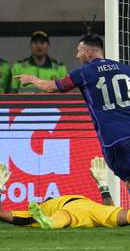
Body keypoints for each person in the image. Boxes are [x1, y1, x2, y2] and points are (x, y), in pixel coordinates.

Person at [15, 33, 130, 191]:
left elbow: (53, 87)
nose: (77, 56)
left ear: (88, 52)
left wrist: (32, 79)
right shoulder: (126, 69)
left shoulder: (84, 72)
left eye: (79, 51)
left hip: (114, 139)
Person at [0, 159, 130, 229]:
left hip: (92, 209)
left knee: (122, 215)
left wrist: (102, 184)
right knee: (62, 217)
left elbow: (108, 208)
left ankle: (49, 222)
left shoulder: (42, 207)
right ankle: (48, 222)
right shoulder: (34, 212)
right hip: (70, 211)